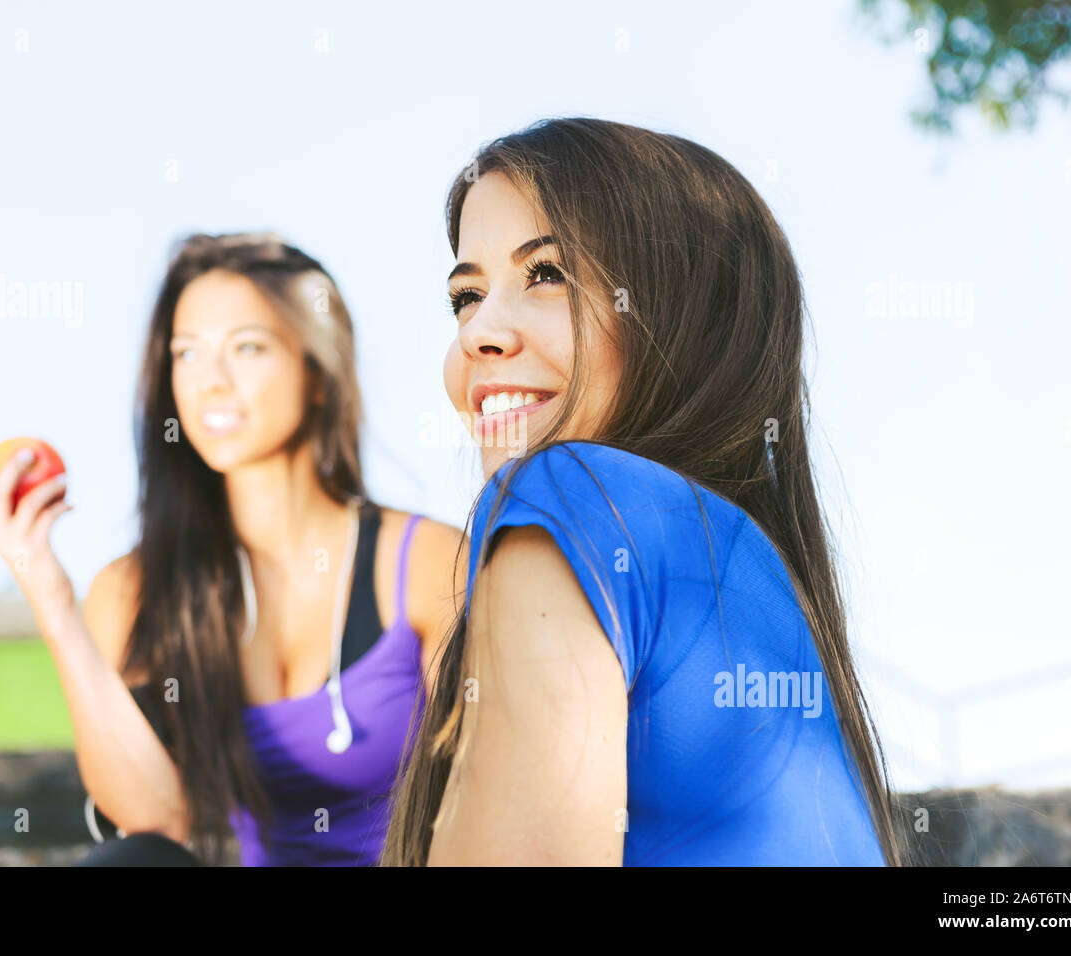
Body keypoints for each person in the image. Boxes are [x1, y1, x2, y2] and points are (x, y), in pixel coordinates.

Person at [382, 118, 905, 866]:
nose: (478, 333)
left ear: (681, 311)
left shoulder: (574, 492)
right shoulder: (753, 575)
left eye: (546, 274)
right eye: (466, 295)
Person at [0, 232, 464, 865]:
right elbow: (153, 822)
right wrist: (53, 600)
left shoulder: (424, 563)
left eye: (247, 348)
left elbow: (487, 798)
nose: (211, 383)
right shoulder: (133, 589)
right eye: (187, 354)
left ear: (317, 370)